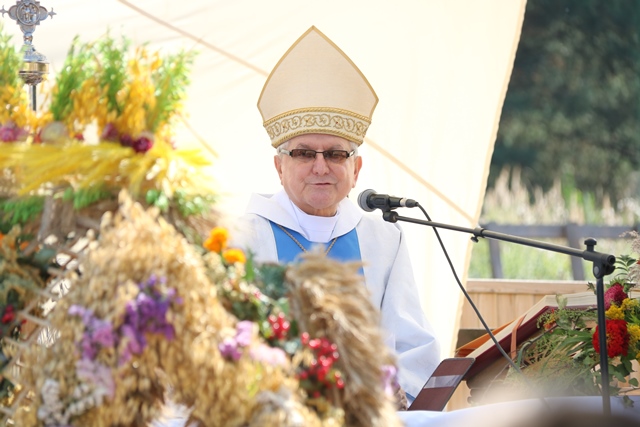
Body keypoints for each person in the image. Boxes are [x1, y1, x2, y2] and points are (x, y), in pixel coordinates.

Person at [232, 26, 441, 404]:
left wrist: (396, 391)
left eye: (335, 154)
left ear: (355, 169)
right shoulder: (241, 238)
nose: (320, 167)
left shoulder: (384, 240)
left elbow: (413, 345)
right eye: (303, 153)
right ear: (279, 167)